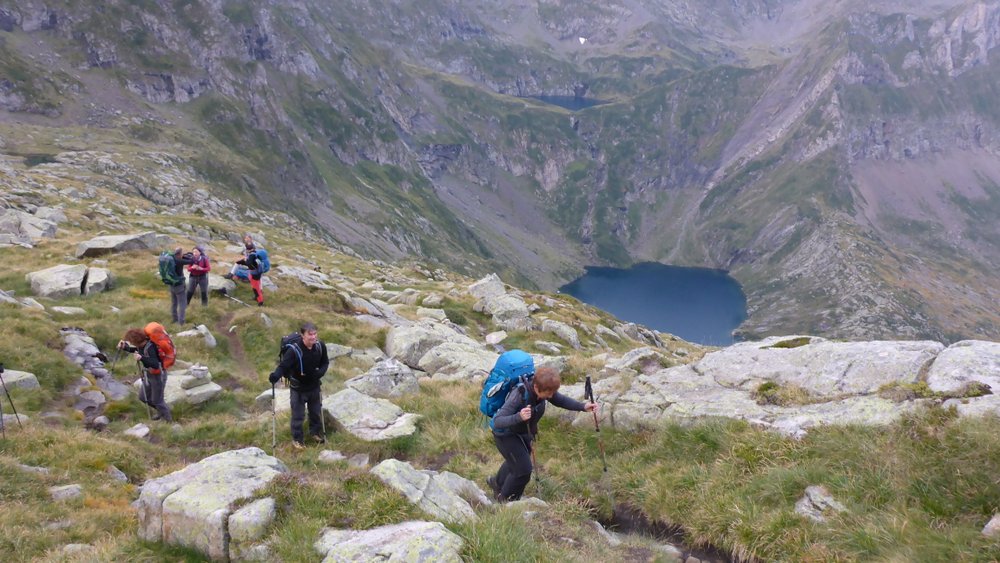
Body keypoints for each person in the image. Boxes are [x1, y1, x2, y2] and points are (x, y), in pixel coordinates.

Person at [488, 367, 598, 502]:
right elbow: (498, 421)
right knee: (523, 470)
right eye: (548, 393)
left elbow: (560, 400)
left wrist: (582, 406)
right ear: (536, 387)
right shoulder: (519, 394)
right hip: (504, 434)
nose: (551, 396)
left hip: (522, 432)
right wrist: (518, 417)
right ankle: (506, 501)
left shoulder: (544, 390)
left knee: (517, 460)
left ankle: (496, 483)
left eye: (552, 392)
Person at [268, 322, 329, 449]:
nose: (313, 337)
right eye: (310, 334)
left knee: (315, 412)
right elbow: (283, 366)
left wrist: (319, 373)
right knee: (298, 416)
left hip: (314, 386)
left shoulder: (320, 346)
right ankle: (297, 439)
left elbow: (325, 362)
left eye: (315, 334)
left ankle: (315, 433)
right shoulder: (294, 351)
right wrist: (276, 376)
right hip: (298, 389)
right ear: (302, 335)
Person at [119, 328, 172, 422]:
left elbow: (155, 364)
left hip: (158, 376)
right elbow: (136, 349)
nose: (131, 343)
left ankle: (168, 420)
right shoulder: (142, 345)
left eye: (131, 341)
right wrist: (125, 348)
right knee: (143, 397)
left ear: (136, 341)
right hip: (148, 375)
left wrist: (141, 358)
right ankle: (161, 412)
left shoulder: (151, 347)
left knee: (157, 400)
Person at [225, 235, 265, 306]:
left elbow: (250, 263)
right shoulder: (254, 252)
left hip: (255, 273)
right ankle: (258, 297)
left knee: (256, 288)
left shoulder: (252, 254)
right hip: (255, 272)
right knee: (255, 286)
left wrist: (246, 261)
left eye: (248, 249)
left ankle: (260, 302)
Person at [168, 247, 194, 324]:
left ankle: (174, 319)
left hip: (171, 284)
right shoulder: (179, 261)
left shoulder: (171, 259)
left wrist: (185, 255)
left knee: (174, 303)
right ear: (179, 254)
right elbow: (191, 261)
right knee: (182, 303)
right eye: (182, 253)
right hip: (179, 286)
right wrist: (190, 256)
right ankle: (181, 322)